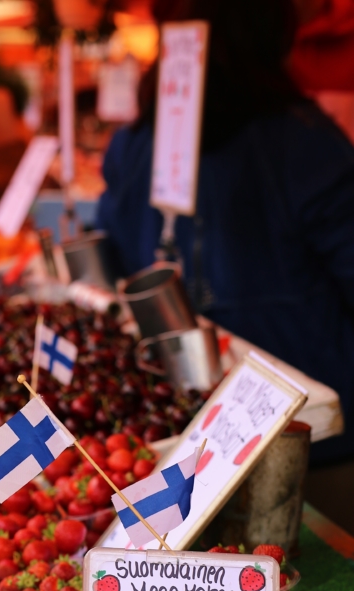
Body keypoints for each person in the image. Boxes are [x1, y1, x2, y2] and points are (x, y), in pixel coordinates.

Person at [96, 0, 354, 464]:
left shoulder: (132, 145)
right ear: (269, 34)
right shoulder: (304, 145)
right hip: (312, 435)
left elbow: (113, 258)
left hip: (187, 435)